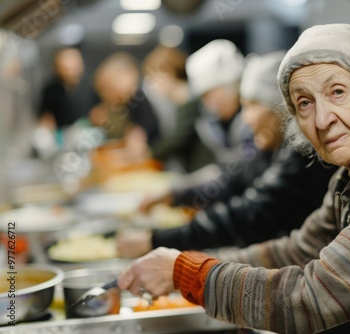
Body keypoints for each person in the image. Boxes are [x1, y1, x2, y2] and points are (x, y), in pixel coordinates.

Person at [118, 24, 350, 334]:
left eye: (337, 92)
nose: (321, 119)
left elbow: (313, 297)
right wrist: (186, 262)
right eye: (304, 103)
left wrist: (188, 272)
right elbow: (296, 251)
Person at [116, 51, 336, 257]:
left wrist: (160, 239)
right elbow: (230, 177)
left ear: (280, 108)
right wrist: (174, 193)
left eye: (251, 106)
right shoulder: (271, 148)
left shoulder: (301, 153)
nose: (246, 120)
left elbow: (249, 213)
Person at [151, 39, 255, 174]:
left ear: (230, 86)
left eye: (208, 95)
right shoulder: (214, 124)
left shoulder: (250, 122)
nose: (207, 104)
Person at [38, 47, 98, 131]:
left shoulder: (91, 85)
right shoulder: (51, 90)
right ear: (58, 67)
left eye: (74, 67)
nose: (71, 72)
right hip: (61, 135)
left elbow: (98, 110)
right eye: (66, 68)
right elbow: (46, 115)